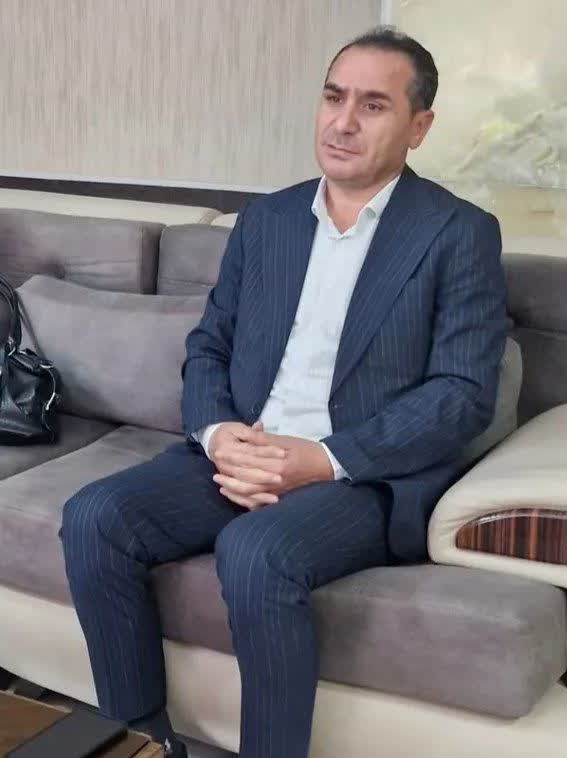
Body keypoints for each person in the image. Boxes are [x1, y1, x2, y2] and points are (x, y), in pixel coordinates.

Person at [60, 27, 507, 758]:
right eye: (333, 98)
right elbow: (209, 345)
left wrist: (322, 459)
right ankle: (139, 744)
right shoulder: (267, 220)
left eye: (373, 105)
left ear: (419, 126)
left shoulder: (459, 234)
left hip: (360, 478)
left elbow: (461, 394)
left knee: (255, 551)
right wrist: (218, 435)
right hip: (244, 450)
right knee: (94, 516)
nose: (343, 122)